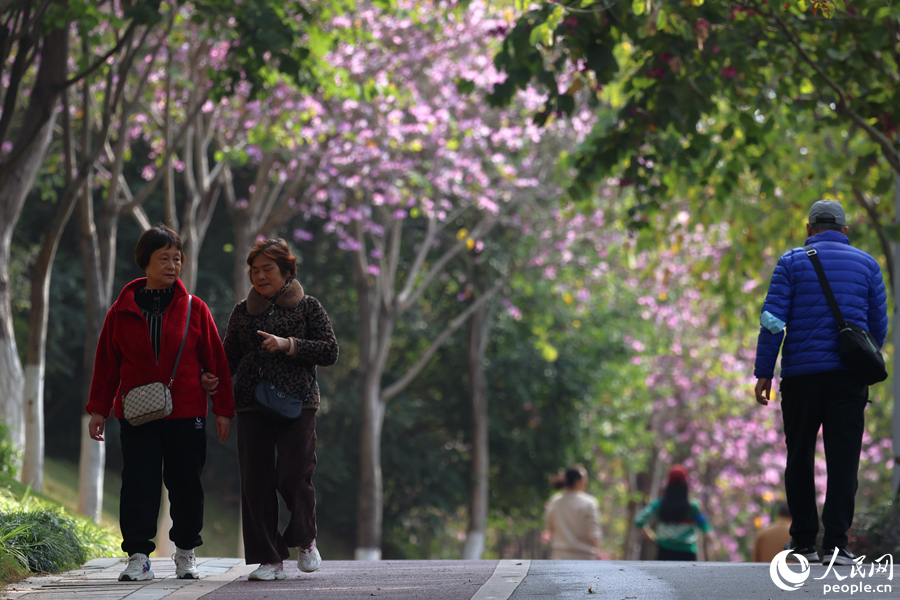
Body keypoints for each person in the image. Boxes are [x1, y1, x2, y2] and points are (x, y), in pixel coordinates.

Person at [86, 225, 235, 582]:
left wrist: (223, 409)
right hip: (136, 412)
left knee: (186, 483)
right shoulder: (120, 311)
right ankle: (138, 555)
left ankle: (186, 552)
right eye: (163, 258)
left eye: (177, 258)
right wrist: (98, 409)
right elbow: (107, 365)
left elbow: (216, 361)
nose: (172, 265)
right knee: (139, 482)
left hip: (186, 411)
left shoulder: (195, 309)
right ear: (145, 261)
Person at [753, 199, 888, 566]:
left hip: (802, 378)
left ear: (810, 228)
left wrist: (765, 370)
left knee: (799, 458)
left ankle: (802, 543)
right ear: (844, 230)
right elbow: (878, 329)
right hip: (848, 380)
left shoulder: (792, 261)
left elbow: (772, 320)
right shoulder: (868, 264)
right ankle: (837, 545)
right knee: (843, 461)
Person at [219, 238, 338, 581]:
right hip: (251, 406)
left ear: (287, 271)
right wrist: (212, 380)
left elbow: (330, 351)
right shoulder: (242, 311)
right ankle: (269, 559)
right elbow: (228, 358)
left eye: (267, 269)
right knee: (255, 481)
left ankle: (304, 539)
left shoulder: (309, 307)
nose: (259, 276)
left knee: (293, 474)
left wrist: (289, 345)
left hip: (297, 404)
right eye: (254, 270)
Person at [634, 464, 713, 561]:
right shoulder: (693, 507)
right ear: (685, 483)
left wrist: (652, 538)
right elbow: (705, 528)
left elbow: (639, 520)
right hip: (688, 554)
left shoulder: (660, 505)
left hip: (664, 553)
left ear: (669, 483)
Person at [543, 465, 602, 560]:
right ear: (578, 481)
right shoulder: (589, 503)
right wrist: (598, 550)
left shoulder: (554, 502)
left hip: (559, 558)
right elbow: (593, 531)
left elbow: (549, 528)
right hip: (585, 559)